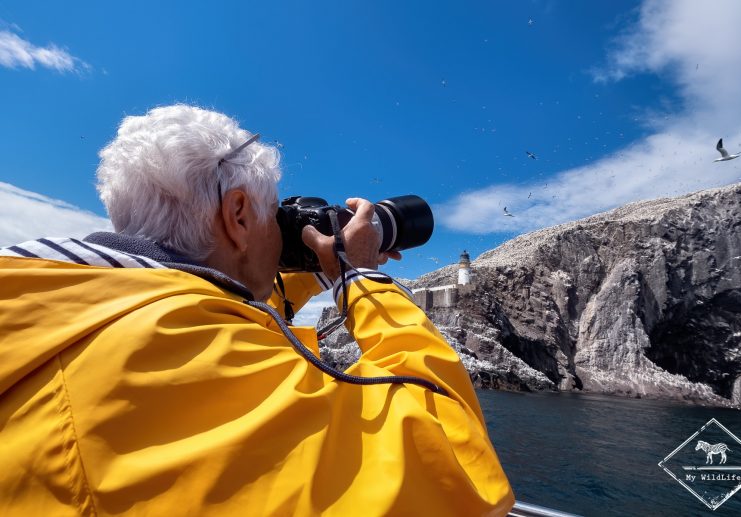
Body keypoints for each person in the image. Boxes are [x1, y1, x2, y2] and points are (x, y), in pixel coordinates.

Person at [0, 105, 514, 516]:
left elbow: (197, 301)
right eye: (273, 216)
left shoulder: (45, 299)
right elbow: (453, 462)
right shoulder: (204, 359)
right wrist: (361, 278)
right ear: (239, 214)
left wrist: (311, 266)